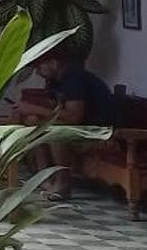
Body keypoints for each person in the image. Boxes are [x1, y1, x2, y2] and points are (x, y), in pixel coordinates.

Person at [14, 46, 117, 198]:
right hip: (78, 128)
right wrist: (35, 108)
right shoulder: (54, 81)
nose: (38, 72)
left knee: (56, 130)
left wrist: (35, 108)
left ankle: (63, 183)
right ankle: (45, 178)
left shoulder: (74, 79)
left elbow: (73, 117)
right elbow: (57, 108)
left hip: (97, 132)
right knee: (33, 121)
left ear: (54, 63)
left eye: (39, 67)